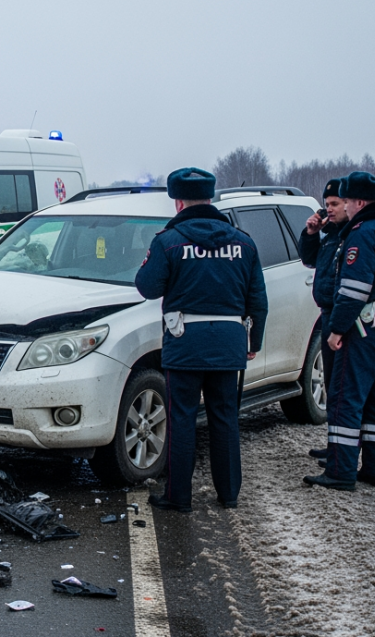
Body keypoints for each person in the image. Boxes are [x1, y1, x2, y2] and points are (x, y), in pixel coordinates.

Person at [135, 168, 268, 512]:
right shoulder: (243, 242)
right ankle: (229, 494)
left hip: (185, 343)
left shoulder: (168, 241)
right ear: (210, 199)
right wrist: (254, 342)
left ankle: (178, 497)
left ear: (178, 202)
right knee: (225, 418)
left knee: (182, 419)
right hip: (228, 342)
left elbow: (147, 287)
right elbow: (257, 299)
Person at [304, 171, 375, 491]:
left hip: (365, 323)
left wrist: (337, 329)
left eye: (348, 201)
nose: (345, 207)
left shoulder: (363, 233)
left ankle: (340, 471)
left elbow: (354, 290)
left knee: (344, 396)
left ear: (360, 202)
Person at [297, 178, 348, 461]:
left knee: (341, 388)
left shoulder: (351, 235)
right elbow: (310, 259)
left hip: (342, 316)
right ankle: (335, 444)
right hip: (327, 313)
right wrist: (310, 233)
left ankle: (342, 451)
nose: (329, 209)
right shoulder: (331, 234)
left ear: (349, 204)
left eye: (335, 204)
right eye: (326, 204)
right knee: (332, 386)